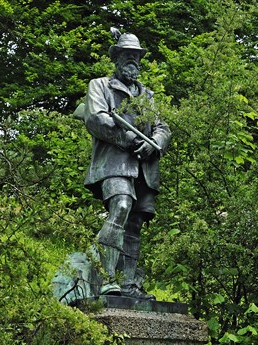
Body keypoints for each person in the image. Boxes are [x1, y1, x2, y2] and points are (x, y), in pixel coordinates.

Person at [84, 31, 171, 299]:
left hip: (144, 168)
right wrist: (131, 139)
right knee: (121, 207)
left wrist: (154, 142)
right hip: (115, 164)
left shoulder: (148, 95)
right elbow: (97, 119)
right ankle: (106, 278)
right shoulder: (100, 86)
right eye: (128, 54)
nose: (133, 59)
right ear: (117, 57)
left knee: (134, 225)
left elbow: (163, 127)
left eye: (137, 55)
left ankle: (129, 285)